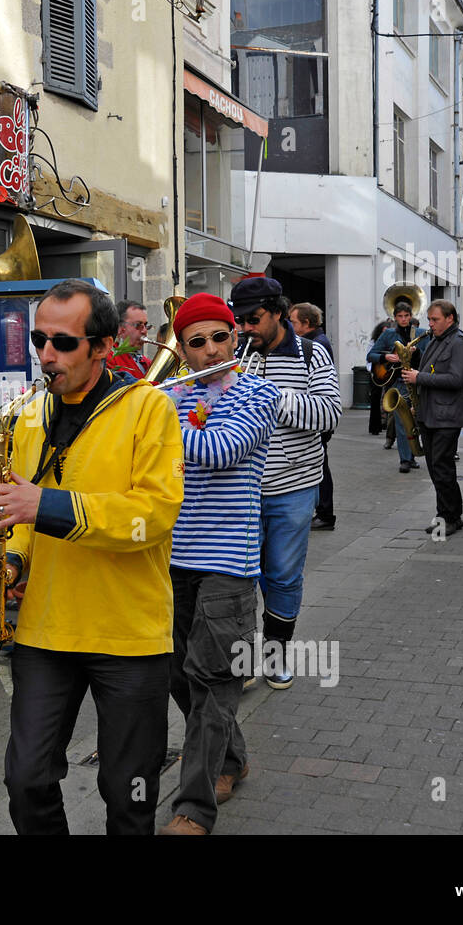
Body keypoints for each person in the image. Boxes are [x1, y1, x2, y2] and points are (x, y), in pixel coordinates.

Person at [0, 279, 183, 835]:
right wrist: (14, 560)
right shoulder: (30, 413)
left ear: (103, 345)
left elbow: (152, 514)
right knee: (25, 778)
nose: (46, 356)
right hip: (47, 631)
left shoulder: (150, 409)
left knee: (128, 791)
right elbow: (19, 515)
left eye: (63, 343)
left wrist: (42, 505)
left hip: (129, 631)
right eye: (39, 340)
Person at [159, 293, 279, 836]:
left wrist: (151, 428)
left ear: (236, 337)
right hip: (170, 556)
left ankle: (194, 807)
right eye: (197, 343)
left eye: (220, 338)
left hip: (228, 560)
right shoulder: (171, 398)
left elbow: (222, 450)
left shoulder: (260, 391)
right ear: (182, 350)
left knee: (215, 679)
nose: (211, 350)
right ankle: (231, 758)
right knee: (178, 675)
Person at [231, 277, 341, 687]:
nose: (244, 329)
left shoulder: (312, 354)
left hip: (293, 485)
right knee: (237, 575)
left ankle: (275, 657)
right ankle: (242, 661)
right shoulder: (236, 354)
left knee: (282, 575)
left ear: (278, 312)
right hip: (239, 485)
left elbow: (329, 415)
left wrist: (271, 395)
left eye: (253, 319)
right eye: (239, 320)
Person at [402, 300, 463, 535]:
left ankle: (452, 517)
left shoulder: (460, 342)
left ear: (450, 318)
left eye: (435, 320)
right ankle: (444, 512)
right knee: (434, 468)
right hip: (430, 412)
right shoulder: (435, 340)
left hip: (447, 415)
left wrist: (418, 378)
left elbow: (457, 379)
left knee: (442, 468)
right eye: (429, 320)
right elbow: (431, 371)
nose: (430, 325)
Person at [291, 302, 336, 530]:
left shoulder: (315, 346)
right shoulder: (318, 340)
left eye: (294, 322)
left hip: (317, 418)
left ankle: (325, 513)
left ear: (306, 324)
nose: (291, 326)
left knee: (320, 465)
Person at [368, 302, 428, 473]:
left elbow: (429, 358)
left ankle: (413, 454)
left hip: (418, 381)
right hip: (399, 382)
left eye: (406, 316)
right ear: (395, 317)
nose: (403, 319)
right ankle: (405, 459)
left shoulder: (421, 334)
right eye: (400, 316)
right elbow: (371, 355)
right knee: (402, 421)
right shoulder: (388, 334)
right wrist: (386, 356)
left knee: (417, 420)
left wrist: (417, 353)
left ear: (411, 316)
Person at [108, 300, 153, 379]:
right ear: (120, 328)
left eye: (146, 325)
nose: (144, 331)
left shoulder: (147, 362)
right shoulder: (110, 358)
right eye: (138, 325)